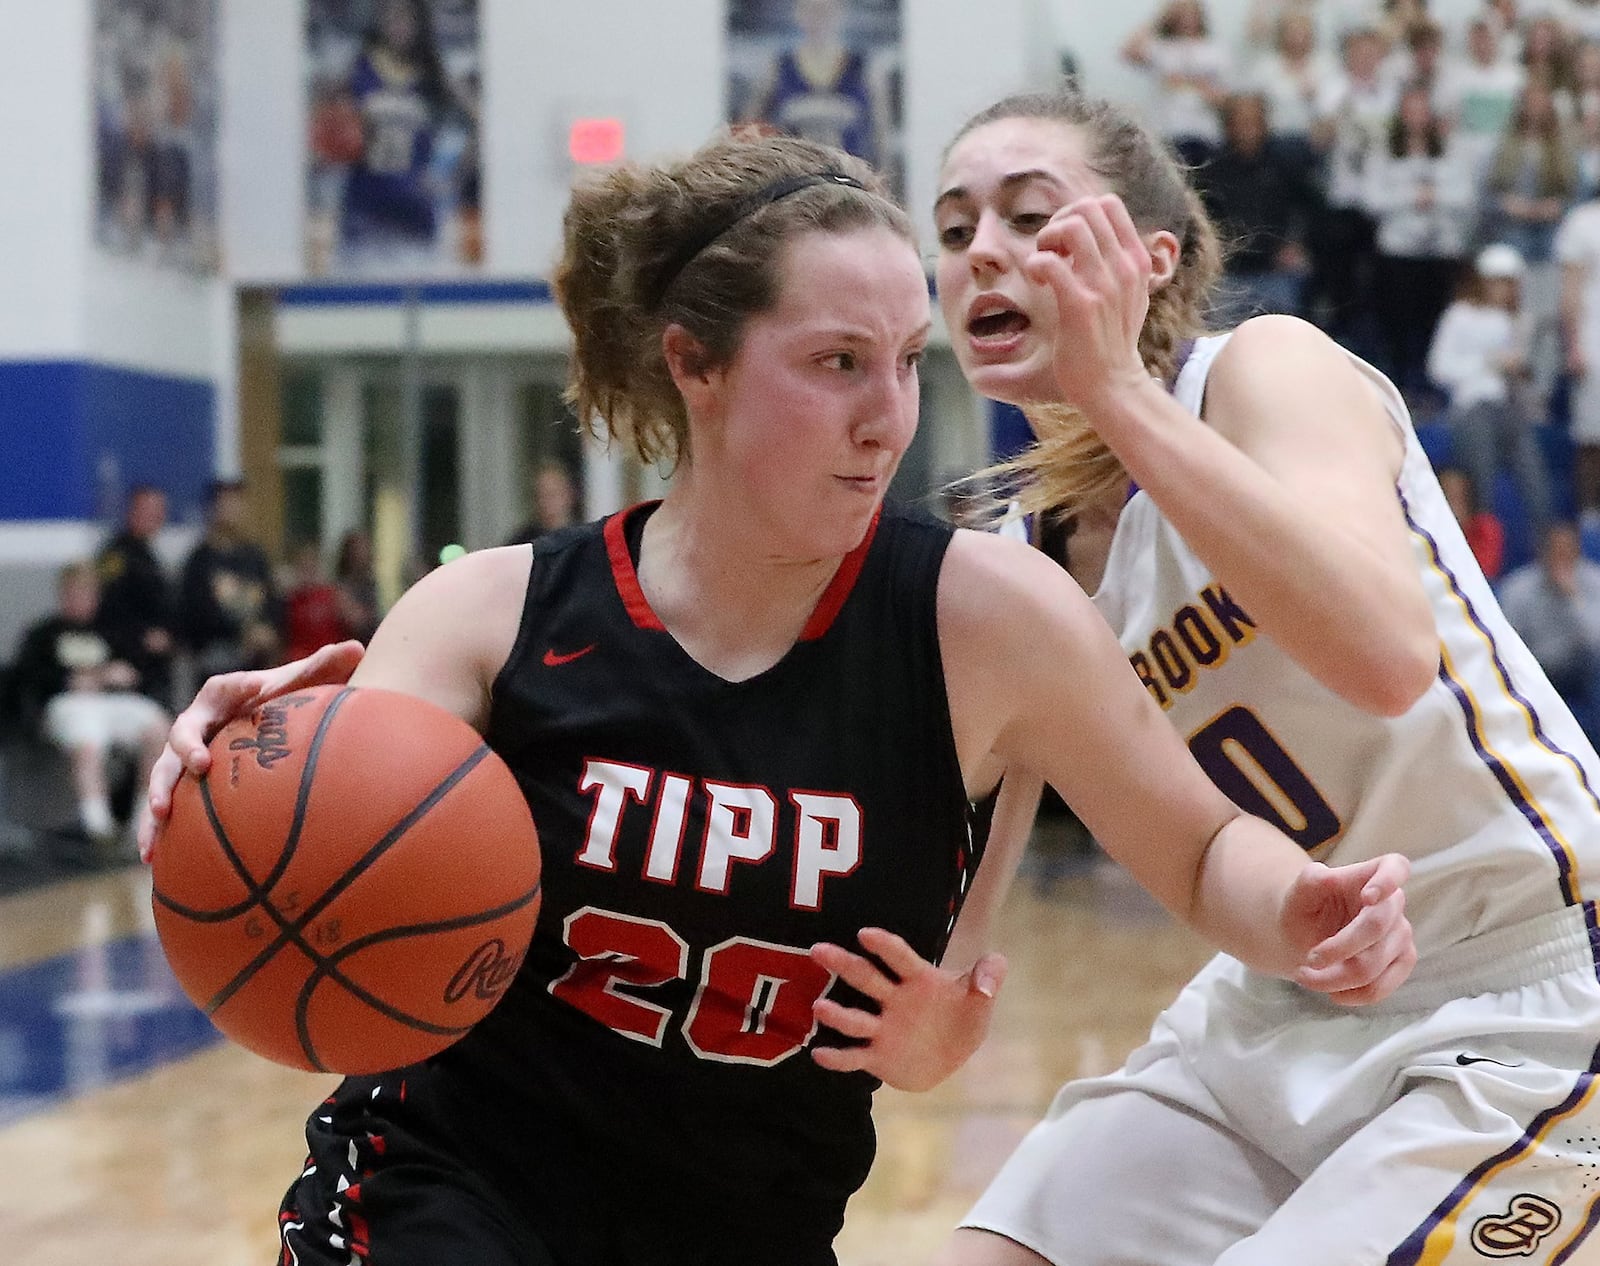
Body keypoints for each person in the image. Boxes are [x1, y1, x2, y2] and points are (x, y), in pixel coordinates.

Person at [138, 132, 1414, 1265]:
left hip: (751, 1221)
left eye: (908, 362)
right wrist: (242, 757)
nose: (889, 419)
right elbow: (317, 817)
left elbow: (1196, 852)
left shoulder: (987, 623)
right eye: (837, 363)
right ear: (693, 364)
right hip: (453, 1191)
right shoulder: (494, 616)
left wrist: (1300, 910)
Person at [923, 87, 1600, 1266]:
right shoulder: (1015, 568)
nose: (984, 249)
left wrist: (1118, 396)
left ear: (1148, 258)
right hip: (1271, 1004)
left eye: (1031, 216)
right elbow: (967, 889)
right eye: (952, 226)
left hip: (1530, 985)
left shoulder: (1263, 373)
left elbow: (1386, 657)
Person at [11, 561, 168, 846]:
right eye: (76, 593)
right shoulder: (44, 634)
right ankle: (99, 830)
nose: (83, 600)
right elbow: (28, 677)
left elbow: (135, 670)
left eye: (88, 593)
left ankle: (142, 822)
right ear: (64, 595)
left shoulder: (109, 633)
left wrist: (115, 675)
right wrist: (73, 679)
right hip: (67, 704)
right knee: (88, 737)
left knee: (157, 725)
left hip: (110, 701)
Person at [1426, 241, 1551, 536]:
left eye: (1511, 284)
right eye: (1499, 283)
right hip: (1471, 408)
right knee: (1482, 479)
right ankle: (1485, 545)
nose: (1505, 291)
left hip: (1509, 409)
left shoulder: (1518, 321)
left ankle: (1545, 541)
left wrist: (1519, 368)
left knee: (1536, 482)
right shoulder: (1460, 315)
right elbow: (1438, 368)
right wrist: (1488, 363)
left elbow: (1529, 379)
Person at [1500, 521, 1600, 735]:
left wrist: (1573, 599)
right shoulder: (1518, 588)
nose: (1561, 558)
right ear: (1542, 552)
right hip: (1536, 667)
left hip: (1579, 668)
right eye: (1556, 551)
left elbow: (1595, 640)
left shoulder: (1593, 581)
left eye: (1567, 551)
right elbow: (1506, 644)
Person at [178, 477, 281, 677]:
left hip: (257, 657)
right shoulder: (199, 560)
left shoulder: (254, 556)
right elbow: (194, 615)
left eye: (237, 503)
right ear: (212, 509)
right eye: (226, 504)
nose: (232, 510)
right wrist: (239, 634)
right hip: (217, 656)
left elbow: (272, 600)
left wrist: (267, 629)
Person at [95, 483, 177, 708]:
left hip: (156, 664)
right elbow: (108, 610)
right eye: (147, 510)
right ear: (132, 511)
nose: (155, 517)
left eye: (159, 511)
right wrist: (141, 636)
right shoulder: (116, 556)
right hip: (128, 658)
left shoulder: (151, 556)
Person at [502, 459, 581, 547]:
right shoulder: (522, 543)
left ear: (569, 495)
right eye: (541, 495)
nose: (547, 502)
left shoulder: (583, 540)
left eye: (553, 494)